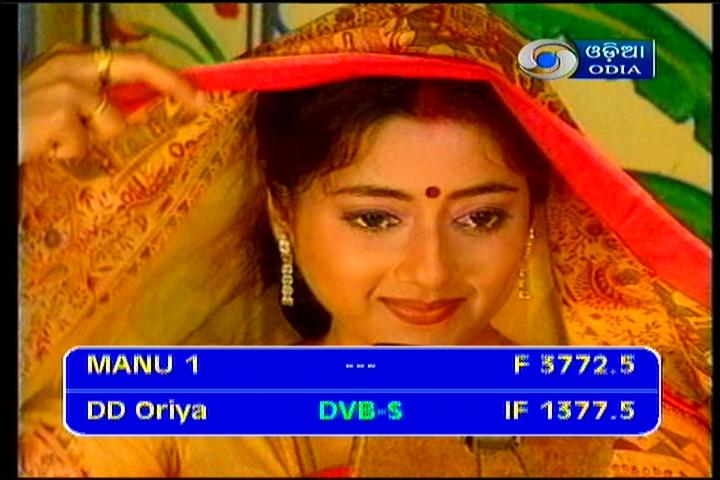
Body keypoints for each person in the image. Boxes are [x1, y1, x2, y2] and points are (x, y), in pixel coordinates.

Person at [19, 3, 711, 477]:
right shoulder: (161, 415)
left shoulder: (628, 429)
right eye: (375, 219)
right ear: (284, 212)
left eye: (480, 218)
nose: (431, 272)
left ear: (533, 217)